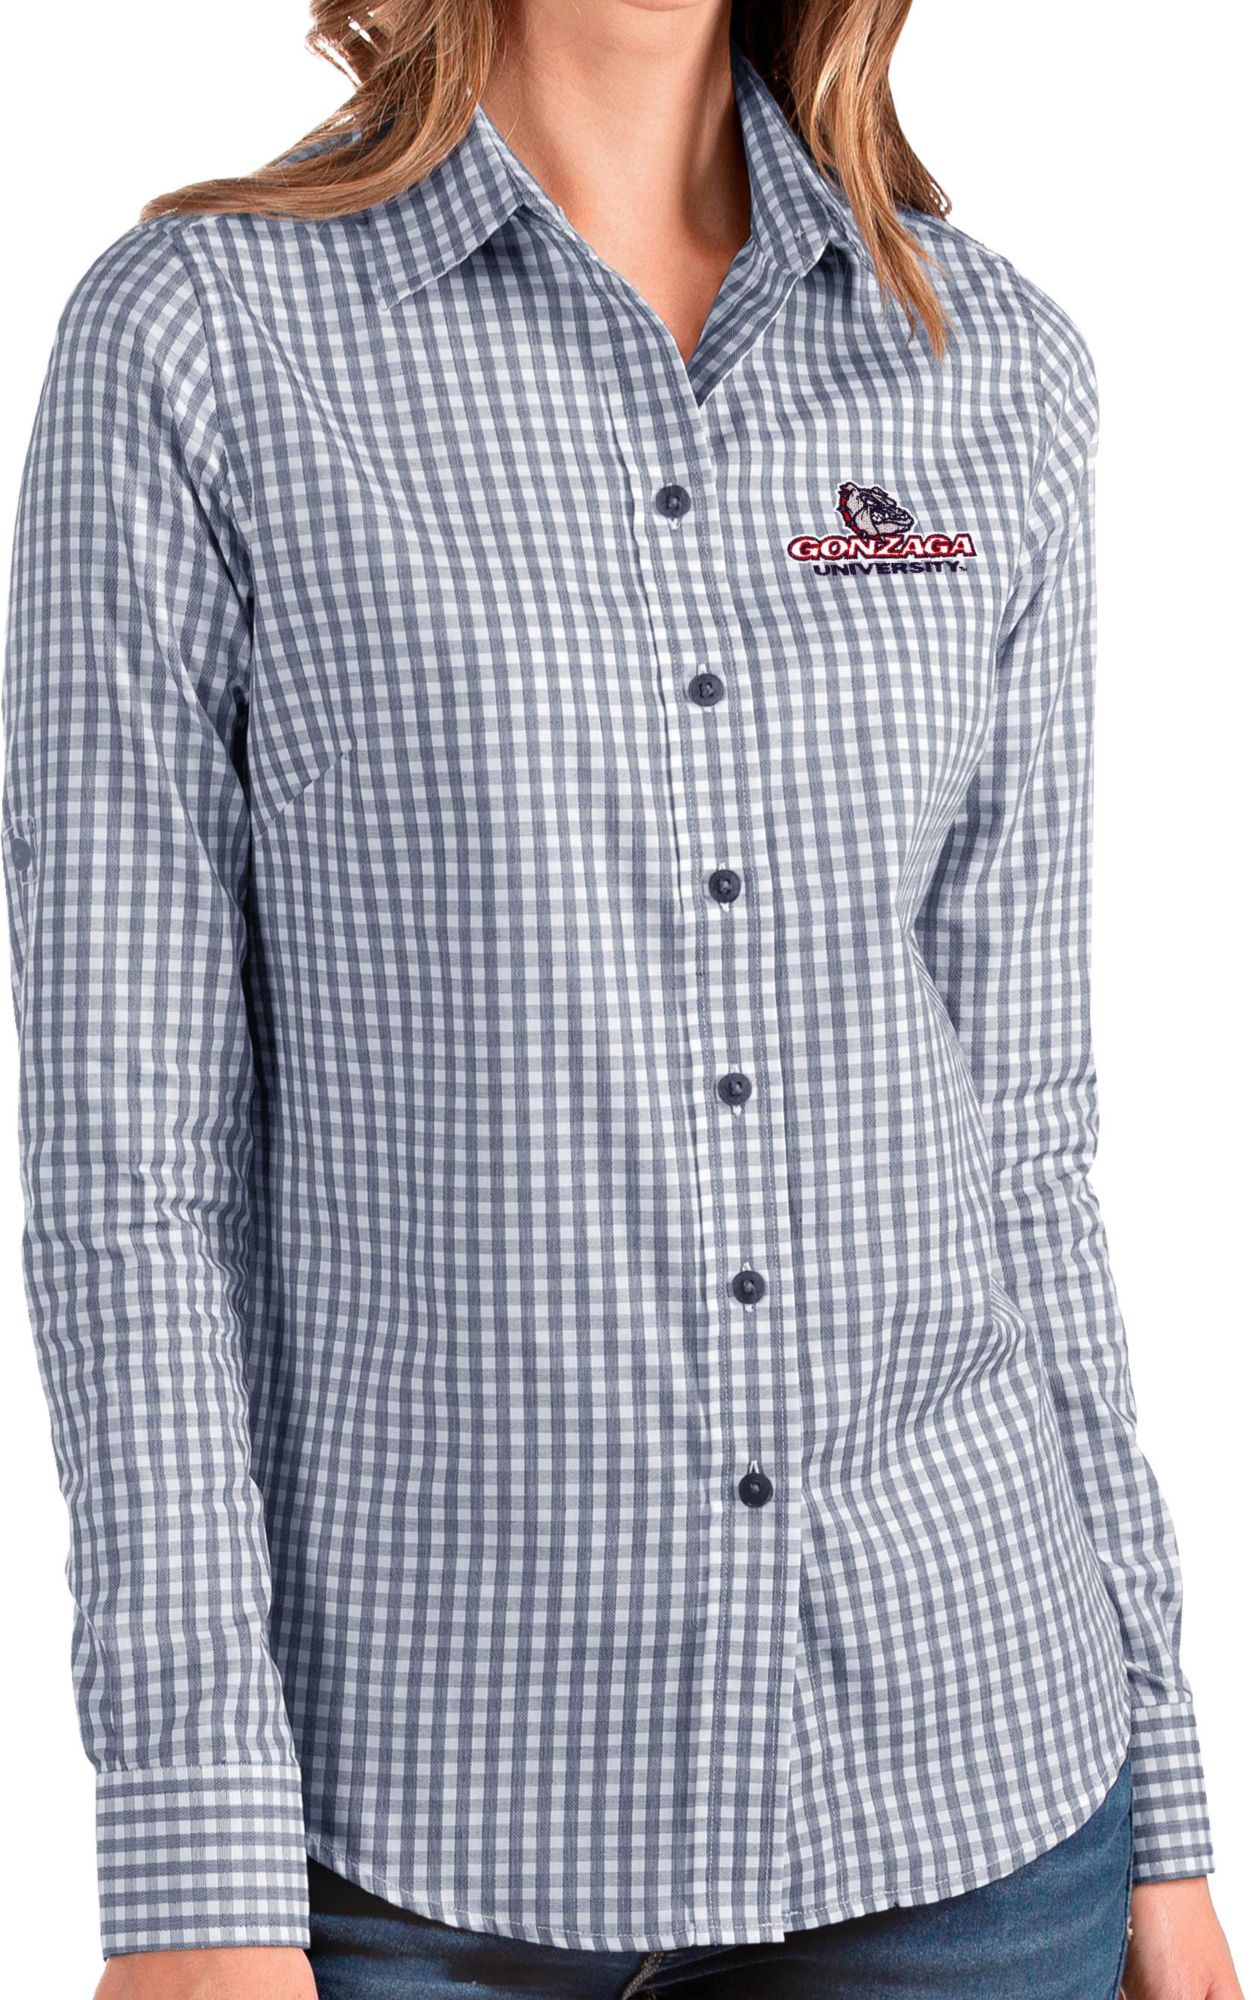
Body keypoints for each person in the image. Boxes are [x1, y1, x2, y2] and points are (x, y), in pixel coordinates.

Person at [1, 1, 1241, 1996]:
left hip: (974, 1792)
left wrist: (1165, 1792)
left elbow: (1020, 1133)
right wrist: (190, 1851)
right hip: (411, 1835)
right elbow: (132, 1175)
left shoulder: (989, 364)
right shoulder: (204, 339)